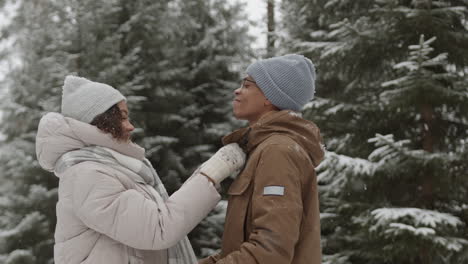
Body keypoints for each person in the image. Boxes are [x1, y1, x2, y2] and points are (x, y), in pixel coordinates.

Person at [35, 75, 246, 264]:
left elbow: (158, 215)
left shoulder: (106, 167)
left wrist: (205, 174)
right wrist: (213, 172)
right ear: (100, 120)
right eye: (123, 116)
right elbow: (158, 227)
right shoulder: (87, 174)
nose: (130, 126)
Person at [199, 54, 325, 264]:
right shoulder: (263, 148)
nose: (237, 90)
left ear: (269, 96)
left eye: (247, 85)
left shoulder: (277, 152)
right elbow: (243, 246)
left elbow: (270, 251)